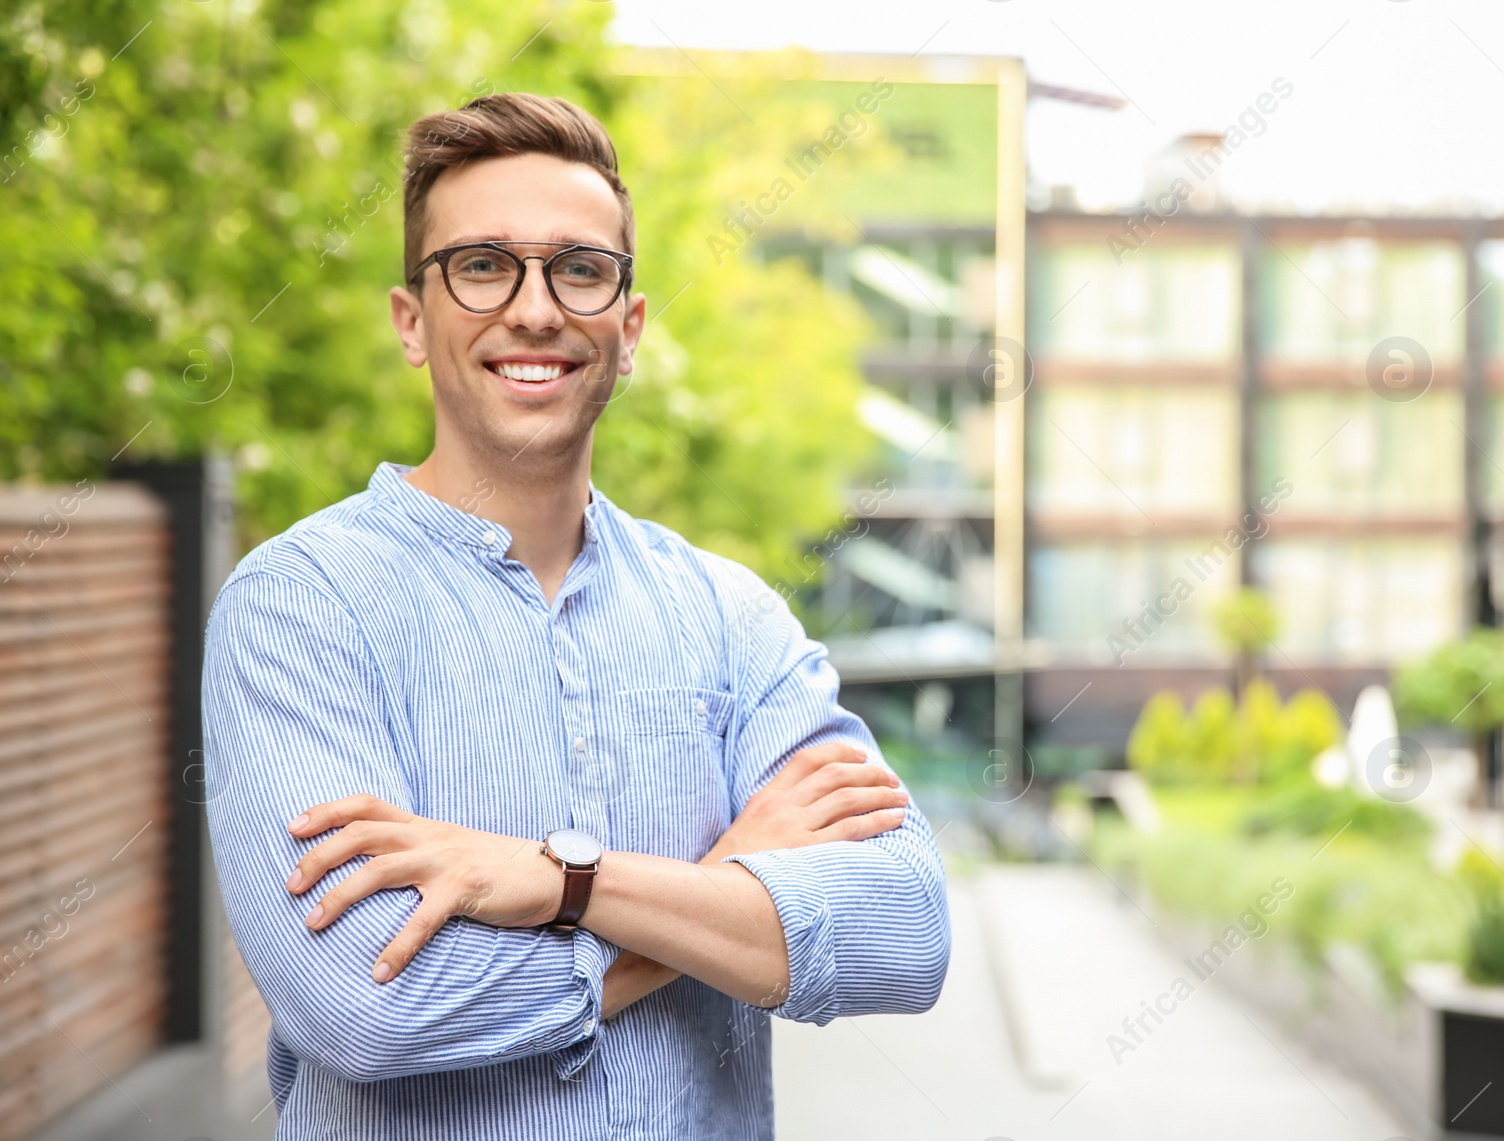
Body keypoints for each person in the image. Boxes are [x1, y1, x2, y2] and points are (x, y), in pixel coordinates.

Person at [202, 92, 950, 1141]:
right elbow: (366, 1005)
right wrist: (707, 896)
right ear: (412, 322)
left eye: (579, 268)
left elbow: (905, 932)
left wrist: (552, 880)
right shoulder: (300, 609)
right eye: (481, 264)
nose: (535, 308)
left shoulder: (731, 618)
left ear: (629, 327)